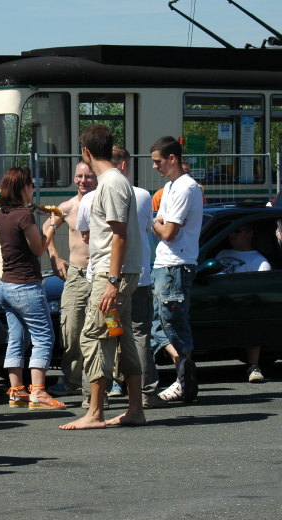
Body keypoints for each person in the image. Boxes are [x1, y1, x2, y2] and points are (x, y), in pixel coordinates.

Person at [60, 124, 145, 430]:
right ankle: (135, 409)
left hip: (111, 276)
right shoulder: (116, 181)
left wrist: (111, 281)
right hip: (117, 273)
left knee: (93, 336)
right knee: (119, 336)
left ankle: (95, 412)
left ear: (86, 152)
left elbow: (119, 235)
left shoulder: (110, 183)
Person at [0, 167, 66, 410]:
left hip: (6, 286)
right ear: (22, 187)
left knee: (17, 338)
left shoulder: (0, 216)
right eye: (30, 185)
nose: (33, 188)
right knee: (44, 336)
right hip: (26, 286)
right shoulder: (24, 215)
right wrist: (52, 225)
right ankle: (39, 392)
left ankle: (16, 391)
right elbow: (38, 249)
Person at [111, 146, 166, 409]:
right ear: (124, 165)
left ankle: (102, 392)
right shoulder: (143, 195)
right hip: (139, 276)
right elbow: (147, 228)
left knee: (109, 331)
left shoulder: (96, 195)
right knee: (140, 333)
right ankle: (146, 392)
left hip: (108, 277)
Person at [150, 136, 204, 404]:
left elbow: (168, 231)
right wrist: (158, 222)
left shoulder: (185, 187)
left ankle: (183, 378)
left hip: (176, 265)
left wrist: (152, 222)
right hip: (165, 264)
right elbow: (162, 223)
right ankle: (183, 370)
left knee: (173, 323)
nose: (154, 166)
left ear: (172, 158)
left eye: (158, 161)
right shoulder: (170, 187)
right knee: (158, 323)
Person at [44, 162, 97, 399]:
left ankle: (107, 380)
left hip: (101, 272)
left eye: (88, 176)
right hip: (77, 274)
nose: (83, 181)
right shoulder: (67, 207)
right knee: (71, 327)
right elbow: (46, 229)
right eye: (79, 176)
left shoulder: (103, 203)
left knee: (105, 328)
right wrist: (54, 256)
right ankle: (72, 379)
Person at [213, 223, 271, 383]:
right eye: (230, 231)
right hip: (214, 299)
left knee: (253, 315)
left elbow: (260, 294)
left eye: (237, 231)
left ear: (250, 233)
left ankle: (254, 366)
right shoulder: (222, 253)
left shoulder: (259, 261)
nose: (232, 235)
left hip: (239, 304)